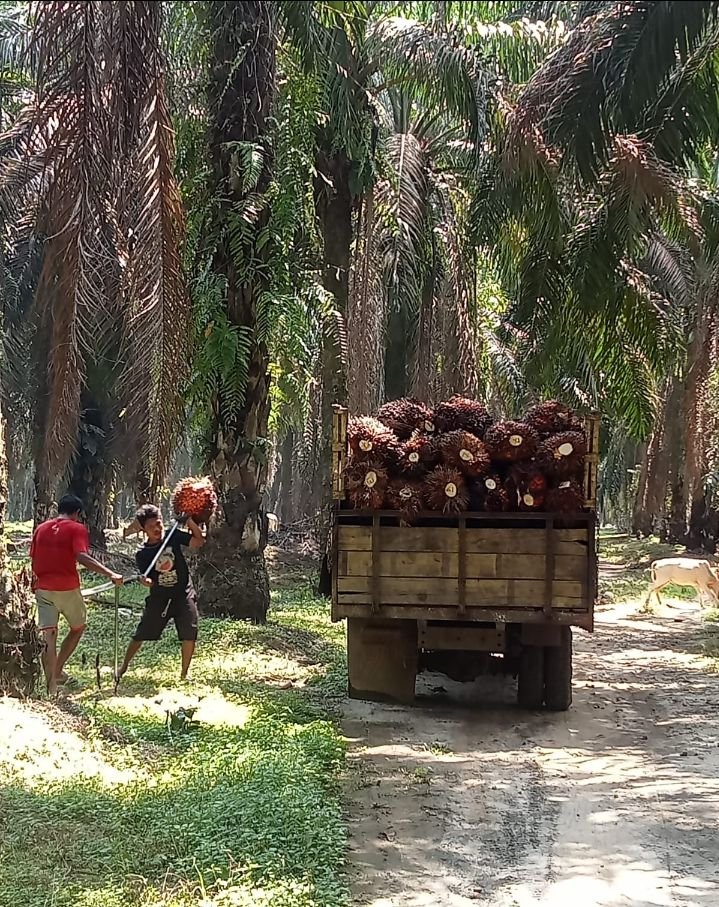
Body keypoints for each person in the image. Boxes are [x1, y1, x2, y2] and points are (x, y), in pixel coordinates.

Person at [31, 494, 124, 696]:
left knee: (48, 635)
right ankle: (57, 671)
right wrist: (110, 573)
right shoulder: (77, 528)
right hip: (67, 587)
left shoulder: (41, 528)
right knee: (78, 627)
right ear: (77, 513)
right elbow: (81, 556)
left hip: (42, 588)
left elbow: (33, 558)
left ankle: (51, 687)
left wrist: (33, 583)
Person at [116, 504, 205, 684]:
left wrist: (189, 521)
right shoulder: (143, 554)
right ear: (143, 529)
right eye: (151, 527)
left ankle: (184, 675)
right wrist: (146, 582)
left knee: (189, 632)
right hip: (160, 598)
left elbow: (199, 541)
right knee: (142, 633)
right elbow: (150, 580)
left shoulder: (172, 536)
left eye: (158, 524)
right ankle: (123, 666)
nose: (157, 529)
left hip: (183, 593)